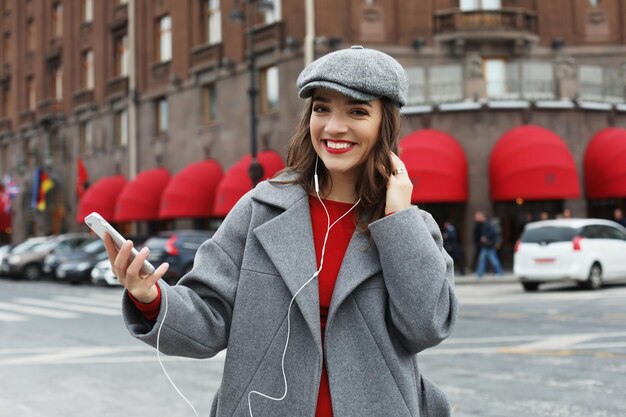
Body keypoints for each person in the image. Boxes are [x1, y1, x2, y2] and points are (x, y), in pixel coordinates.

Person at [104, 46, 458, 417]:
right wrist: (150, 297)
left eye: (357, 111)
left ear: (384, 124)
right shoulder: (260, 210)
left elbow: (427, 327)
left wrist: (397, 218)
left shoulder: (409, 227)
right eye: (322, 109)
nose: (334, 127)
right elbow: (209, 320)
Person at [475, 212, 503, 278]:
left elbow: (493, 233)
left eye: (479, 216)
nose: (477, 218)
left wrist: (485, 237)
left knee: (492, 259)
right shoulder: (485, 224)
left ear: (483, 217)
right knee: (482, 259)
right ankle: (479, 273)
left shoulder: (488, 224)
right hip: (486, 245)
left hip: (489, 245)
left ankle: (499, 272)